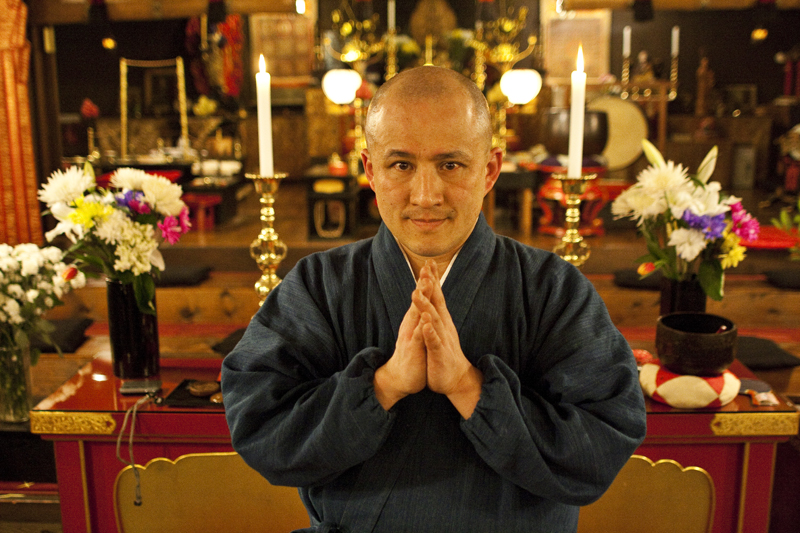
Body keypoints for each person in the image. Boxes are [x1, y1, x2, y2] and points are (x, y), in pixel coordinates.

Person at [222, 66, 647, 533]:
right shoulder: (321, 284)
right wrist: (383, 386)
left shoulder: (552, 289)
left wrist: (469, 387)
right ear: (370, 170)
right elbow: (260, 426)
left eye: (450, 164)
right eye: (401, 165)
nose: (426, 196)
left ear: (489, 170)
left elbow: (603, 442)